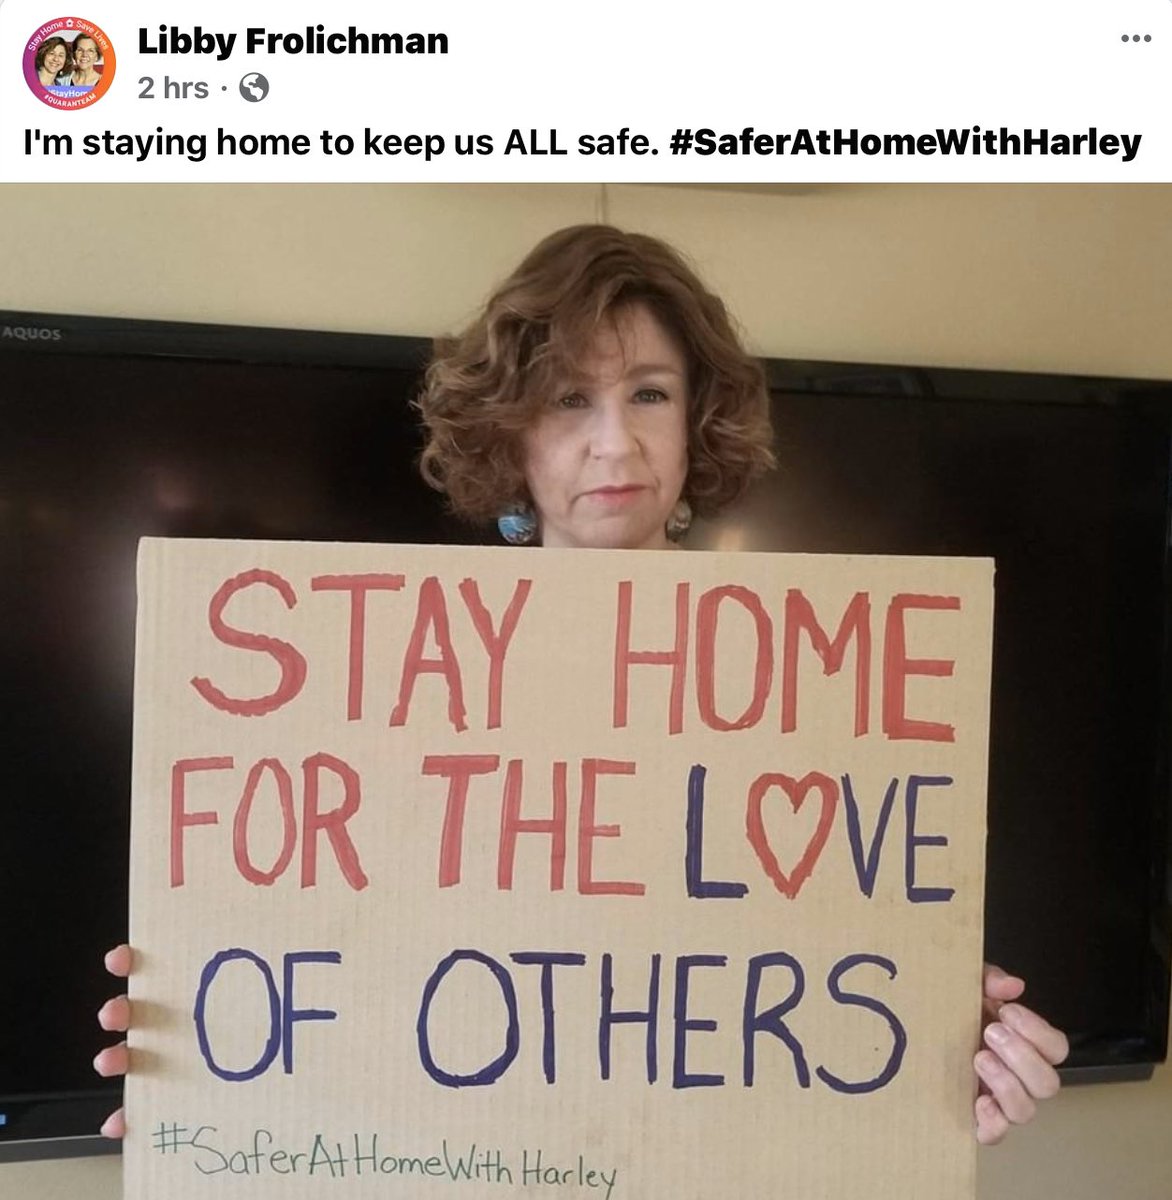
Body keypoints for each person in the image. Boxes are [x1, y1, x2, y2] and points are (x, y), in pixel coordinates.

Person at [95, 223, 1069, 1146]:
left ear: (695, 418)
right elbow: (358, 960)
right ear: (509, 430)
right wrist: (209, 1091)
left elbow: (829, 950)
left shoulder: (820, 678)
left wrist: (948, 1047)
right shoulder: (385, 682)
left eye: (649, 394)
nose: (615, 443)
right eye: (568, 399)